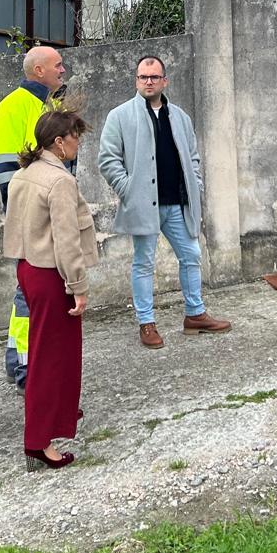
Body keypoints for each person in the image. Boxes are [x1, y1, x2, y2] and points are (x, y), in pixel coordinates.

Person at [98, 55, 230, 348]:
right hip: (143, 205)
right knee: (143, 263)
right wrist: (128, 190)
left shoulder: (180, 117)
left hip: (177, 204)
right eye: (143, 77)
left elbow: (193, 157)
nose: (148, 81)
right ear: (136, 80)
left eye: (154, 77)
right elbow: (107, 160)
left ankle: (195, 314)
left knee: (191, 255)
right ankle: (146, 323)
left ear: (164, 81)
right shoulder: (120, 116)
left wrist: (195, 185)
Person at [4, 108, 96, 469]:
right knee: (49, 358)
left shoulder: (25, 173)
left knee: (56, 353)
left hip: (29, 268)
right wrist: (78, 285)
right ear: (59, 142)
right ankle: (38, 443)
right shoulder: (59, 181)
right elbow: (66, 240)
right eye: (75, 136)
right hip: (51, 274)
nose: (78, 143)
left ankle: (58, 417)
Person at [0, 45, 66, 390]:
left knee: (31, 292)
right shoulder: (14, 106)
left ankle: (19, 361)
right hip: (31, 217)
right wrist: (27, 216)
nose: (62, 70)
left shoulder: (49, 106)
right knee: (29, 294)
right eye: (57, 65)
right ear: (38, 70)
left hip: (48, 213)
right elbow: (7, 170)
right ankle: (24, 368)